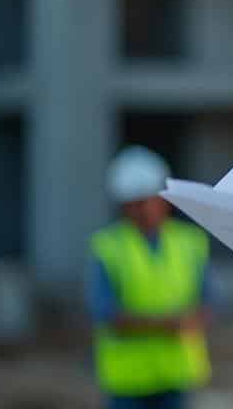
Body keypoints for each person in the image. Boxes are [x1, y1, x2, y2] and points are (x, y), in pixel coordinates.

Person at [88, 146, 214, 409]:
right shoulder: (107, 246)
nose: (140, 211)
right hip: (127, 379)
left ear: (163, 199)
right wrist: (167, 325)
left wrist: (195, 319)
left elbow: (208, 302)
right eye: (131, 204)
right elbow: (105, 312)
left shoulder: (191, 242)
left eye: (144, 201)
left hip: (177, 374)